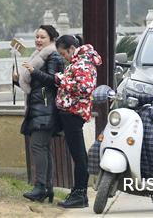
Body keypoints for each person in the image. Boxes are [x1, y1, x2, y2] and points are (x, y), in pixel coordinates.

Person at [12, 24, 63, 203]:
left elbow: (53, 82)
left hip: (46, 109)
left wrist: (34, 71)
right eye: (37, 37)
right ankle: (46, 188)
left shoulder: (53, 56)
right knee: (42, 147)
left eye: (42, 37)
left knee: (38, 146)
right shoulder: (38, 56)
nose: (38, 40)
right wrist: (18, 81)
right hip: (39, 107)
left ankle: (41, 186)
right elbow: (35, 87)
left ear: (51, 39)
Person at [53, 34, 101, 209]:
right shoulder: (80, 61)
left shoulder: (83, 63)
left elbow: (85, 88)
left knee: (79, 156)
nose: (63, 57)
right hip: (71, 112)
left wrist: (61, 79)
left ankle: (80, 194)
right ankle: (77, 191)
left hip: (74, 112)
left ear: (71, 49)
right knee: (78, 155)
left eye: (63, 53)